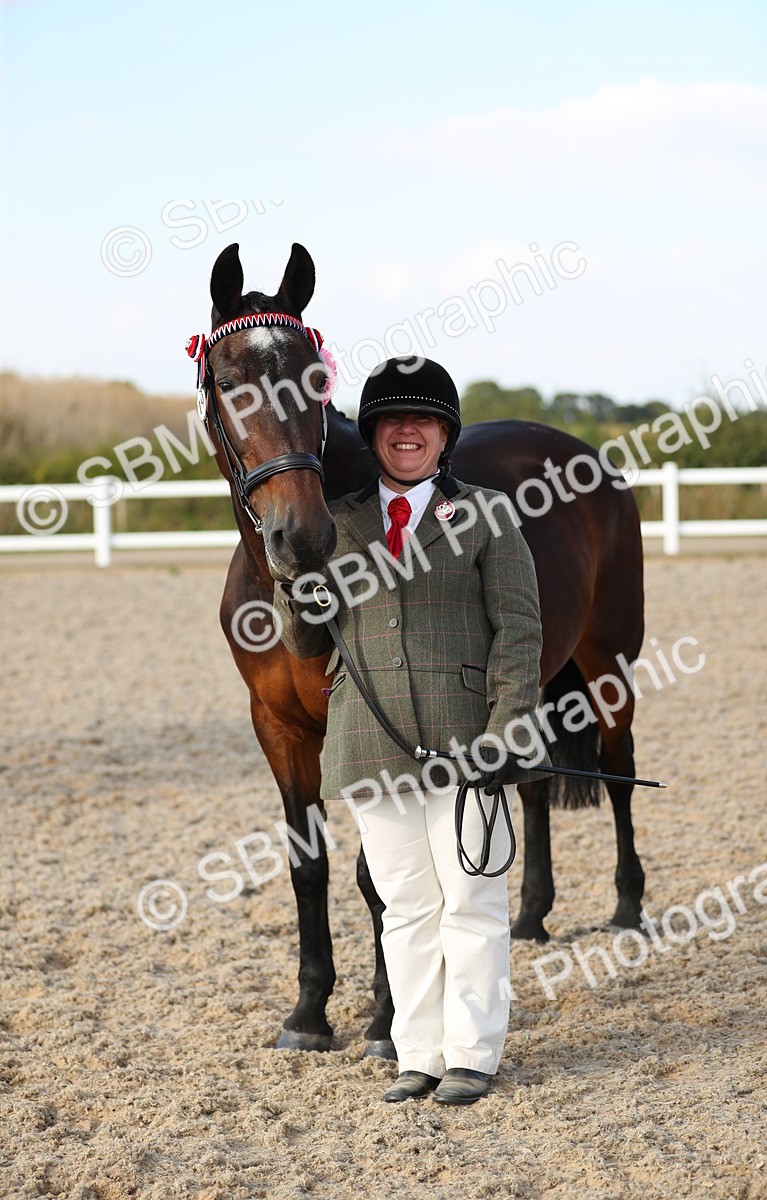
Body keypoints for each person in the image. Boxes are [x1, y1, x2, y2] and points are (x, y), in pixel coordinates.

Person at [273, 356, 549, 1105]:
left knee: (472, 901)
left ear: (445, 434)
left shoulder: (489, 514)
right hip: (371, 740)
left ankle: (474, 1054)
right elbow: (307, 644)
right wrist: (291, 578)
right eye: (392, 420)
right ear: (373, 433)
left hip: (471, 741)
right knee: (406, 907)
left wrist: (507, 731)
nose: (406, 432)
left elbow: (520, 632)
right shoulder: (339, 524)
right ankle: (419, 1053)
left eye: (421, 420)